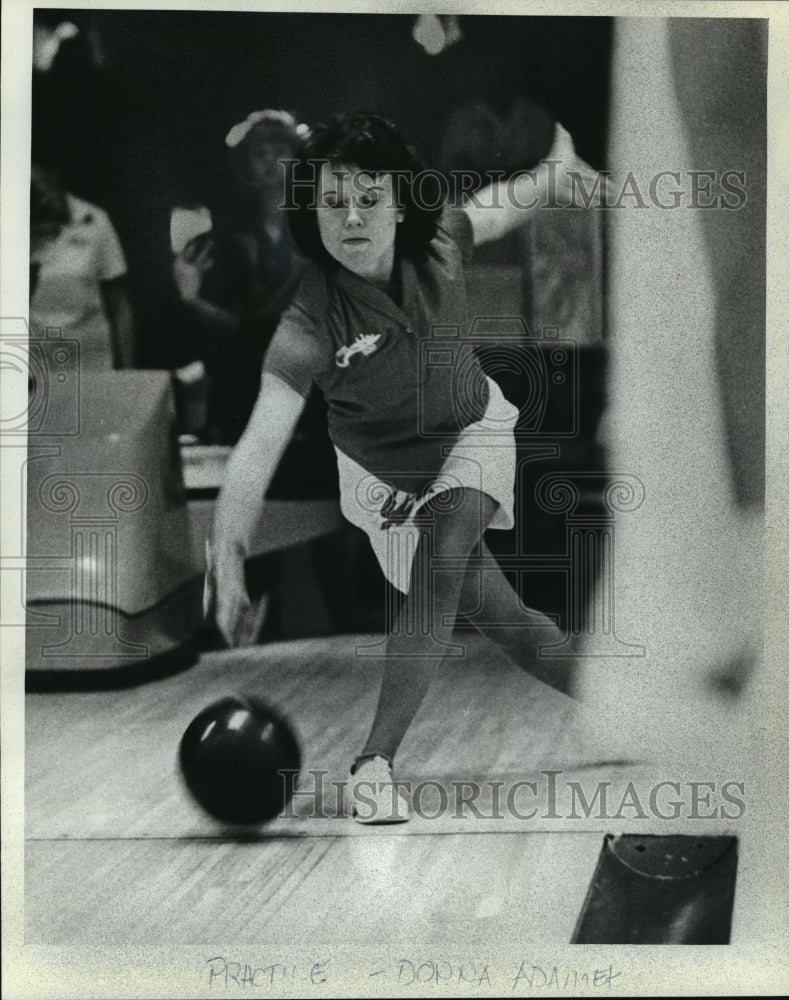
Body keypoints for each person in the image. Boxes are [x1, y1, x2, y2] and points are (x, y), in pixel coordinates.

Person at [207, 111, 583, 822]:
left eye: (369, 199)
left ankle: (372, 763)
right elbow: (256, 447)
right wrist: (227, 558)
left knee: (442, 556)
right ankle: (637, 703)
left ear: (400, 202)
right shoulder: (307, 324)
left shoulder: (441, 240)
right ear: (310, 213)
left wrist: (558, 170)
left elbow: (505, 205)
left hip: (472, 432)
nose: (351, 217)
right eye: (332, 202)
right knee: (518, 632)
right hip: (380, 479)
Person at [30, 158, 136, 369]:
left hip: (91, 361)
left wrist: (128, 372)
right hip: (34, 366)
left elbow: (120, 306)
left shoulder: (95, 220)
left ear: (52, 173)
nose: (37, 200)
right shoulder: (12, 226)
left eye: (37, 188)